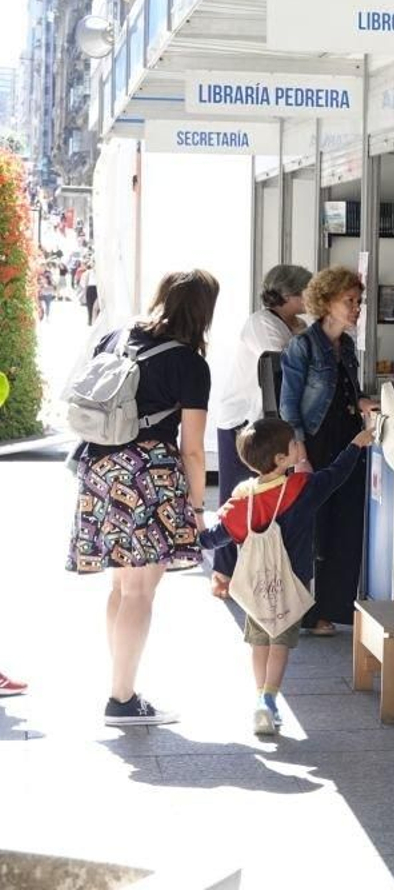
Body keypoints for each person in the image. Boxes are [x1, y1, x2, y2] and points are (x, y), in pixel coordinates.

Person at [67, 270, 220, 726]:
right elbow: (193, 448)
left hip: (98, 466)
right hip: (147, 476)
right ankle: (122, 698)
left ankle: (121, 685)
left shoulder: (116, 336)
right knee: (140, 591)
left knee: (121, 586)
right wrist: (194, 508)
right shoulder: (190, 363)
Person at [203, 417, 373, 736]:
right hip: (292, 582)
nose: (299, 446)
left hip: (255, 585)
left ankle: (258, 698)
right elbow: (335, 476)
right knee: (280, 642)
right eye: (294, 444)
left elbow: (215, 537)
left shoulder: (243, 497)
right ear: (281, 459)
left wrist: (190, 529)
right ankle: (269, 698)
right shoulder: (300, 489)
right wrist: (356, 445)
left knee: (259, 640)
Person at [279, 266, 374, 636]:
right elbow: (290, 407)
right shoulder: (302, 346)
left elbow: (345, 393)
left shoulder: (346, 346)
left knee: (346, 525)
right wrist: (300, 455)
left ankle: (334, 608)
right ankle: (306, 611)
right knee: (314, 526)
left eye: (358, 301)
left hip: (348, 439)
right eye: (349, 301)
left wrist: (368, 404)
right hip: (316, 442)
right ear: (326, 302)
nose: (356, 308)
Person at [214, 265, 312, 501]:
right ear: (289, 295)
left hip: (267, 422)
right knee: (240, 497)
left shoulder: (294, 325)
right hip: (244, 421)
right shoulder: (262, 322)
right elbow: (284, 364)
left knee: (266, 498)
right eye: (308, 290)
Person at [82, 260, 99, 325]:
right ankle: (90, 320)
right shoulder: (89, 272)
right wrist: (84, 293)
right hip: (90, 288)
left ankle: (95, 321)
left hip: (97, 288)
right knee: (89, 305)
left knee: (96, 307)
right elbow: (86, 283)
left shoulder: (99, 272)